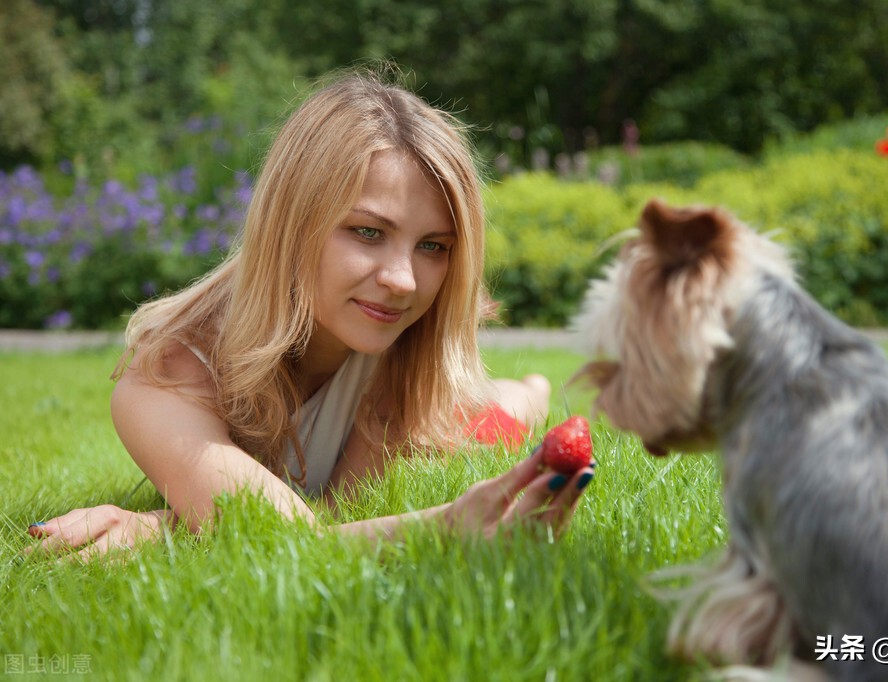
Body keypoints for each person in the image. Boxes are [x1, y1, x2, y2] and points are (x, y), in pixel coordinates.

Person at [26, 69, 594, 561]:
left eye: (434, 246)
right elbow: (297, 540)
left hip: (457, 403)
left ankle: (531, 390)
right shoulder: (167, 376)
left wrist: (159, 528)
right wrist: (445, 527)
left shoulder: (397, 347)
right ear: (291, 225)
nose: (403, 281)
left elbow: (327, 516)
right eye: (368, 232)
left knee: (498, 414)